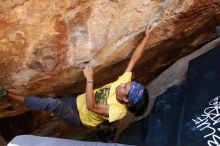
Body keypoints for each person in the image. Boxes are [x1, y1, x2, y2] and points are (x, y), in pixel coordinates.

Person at [0, 25, 153, 127]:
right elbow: (134, 58)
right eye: (128, 83)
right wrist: (147, 36)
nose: (123, 84)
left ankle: (6, 94)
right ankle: (35, 104)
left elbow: (91, 106)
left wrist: (90, 78)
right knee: (51, 102)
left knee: (52, 104)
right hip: (77, 100)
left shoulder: (118, 111)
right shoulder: (127, 85)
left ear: (126, 99)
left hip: (80, 117)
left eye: (125, 87)